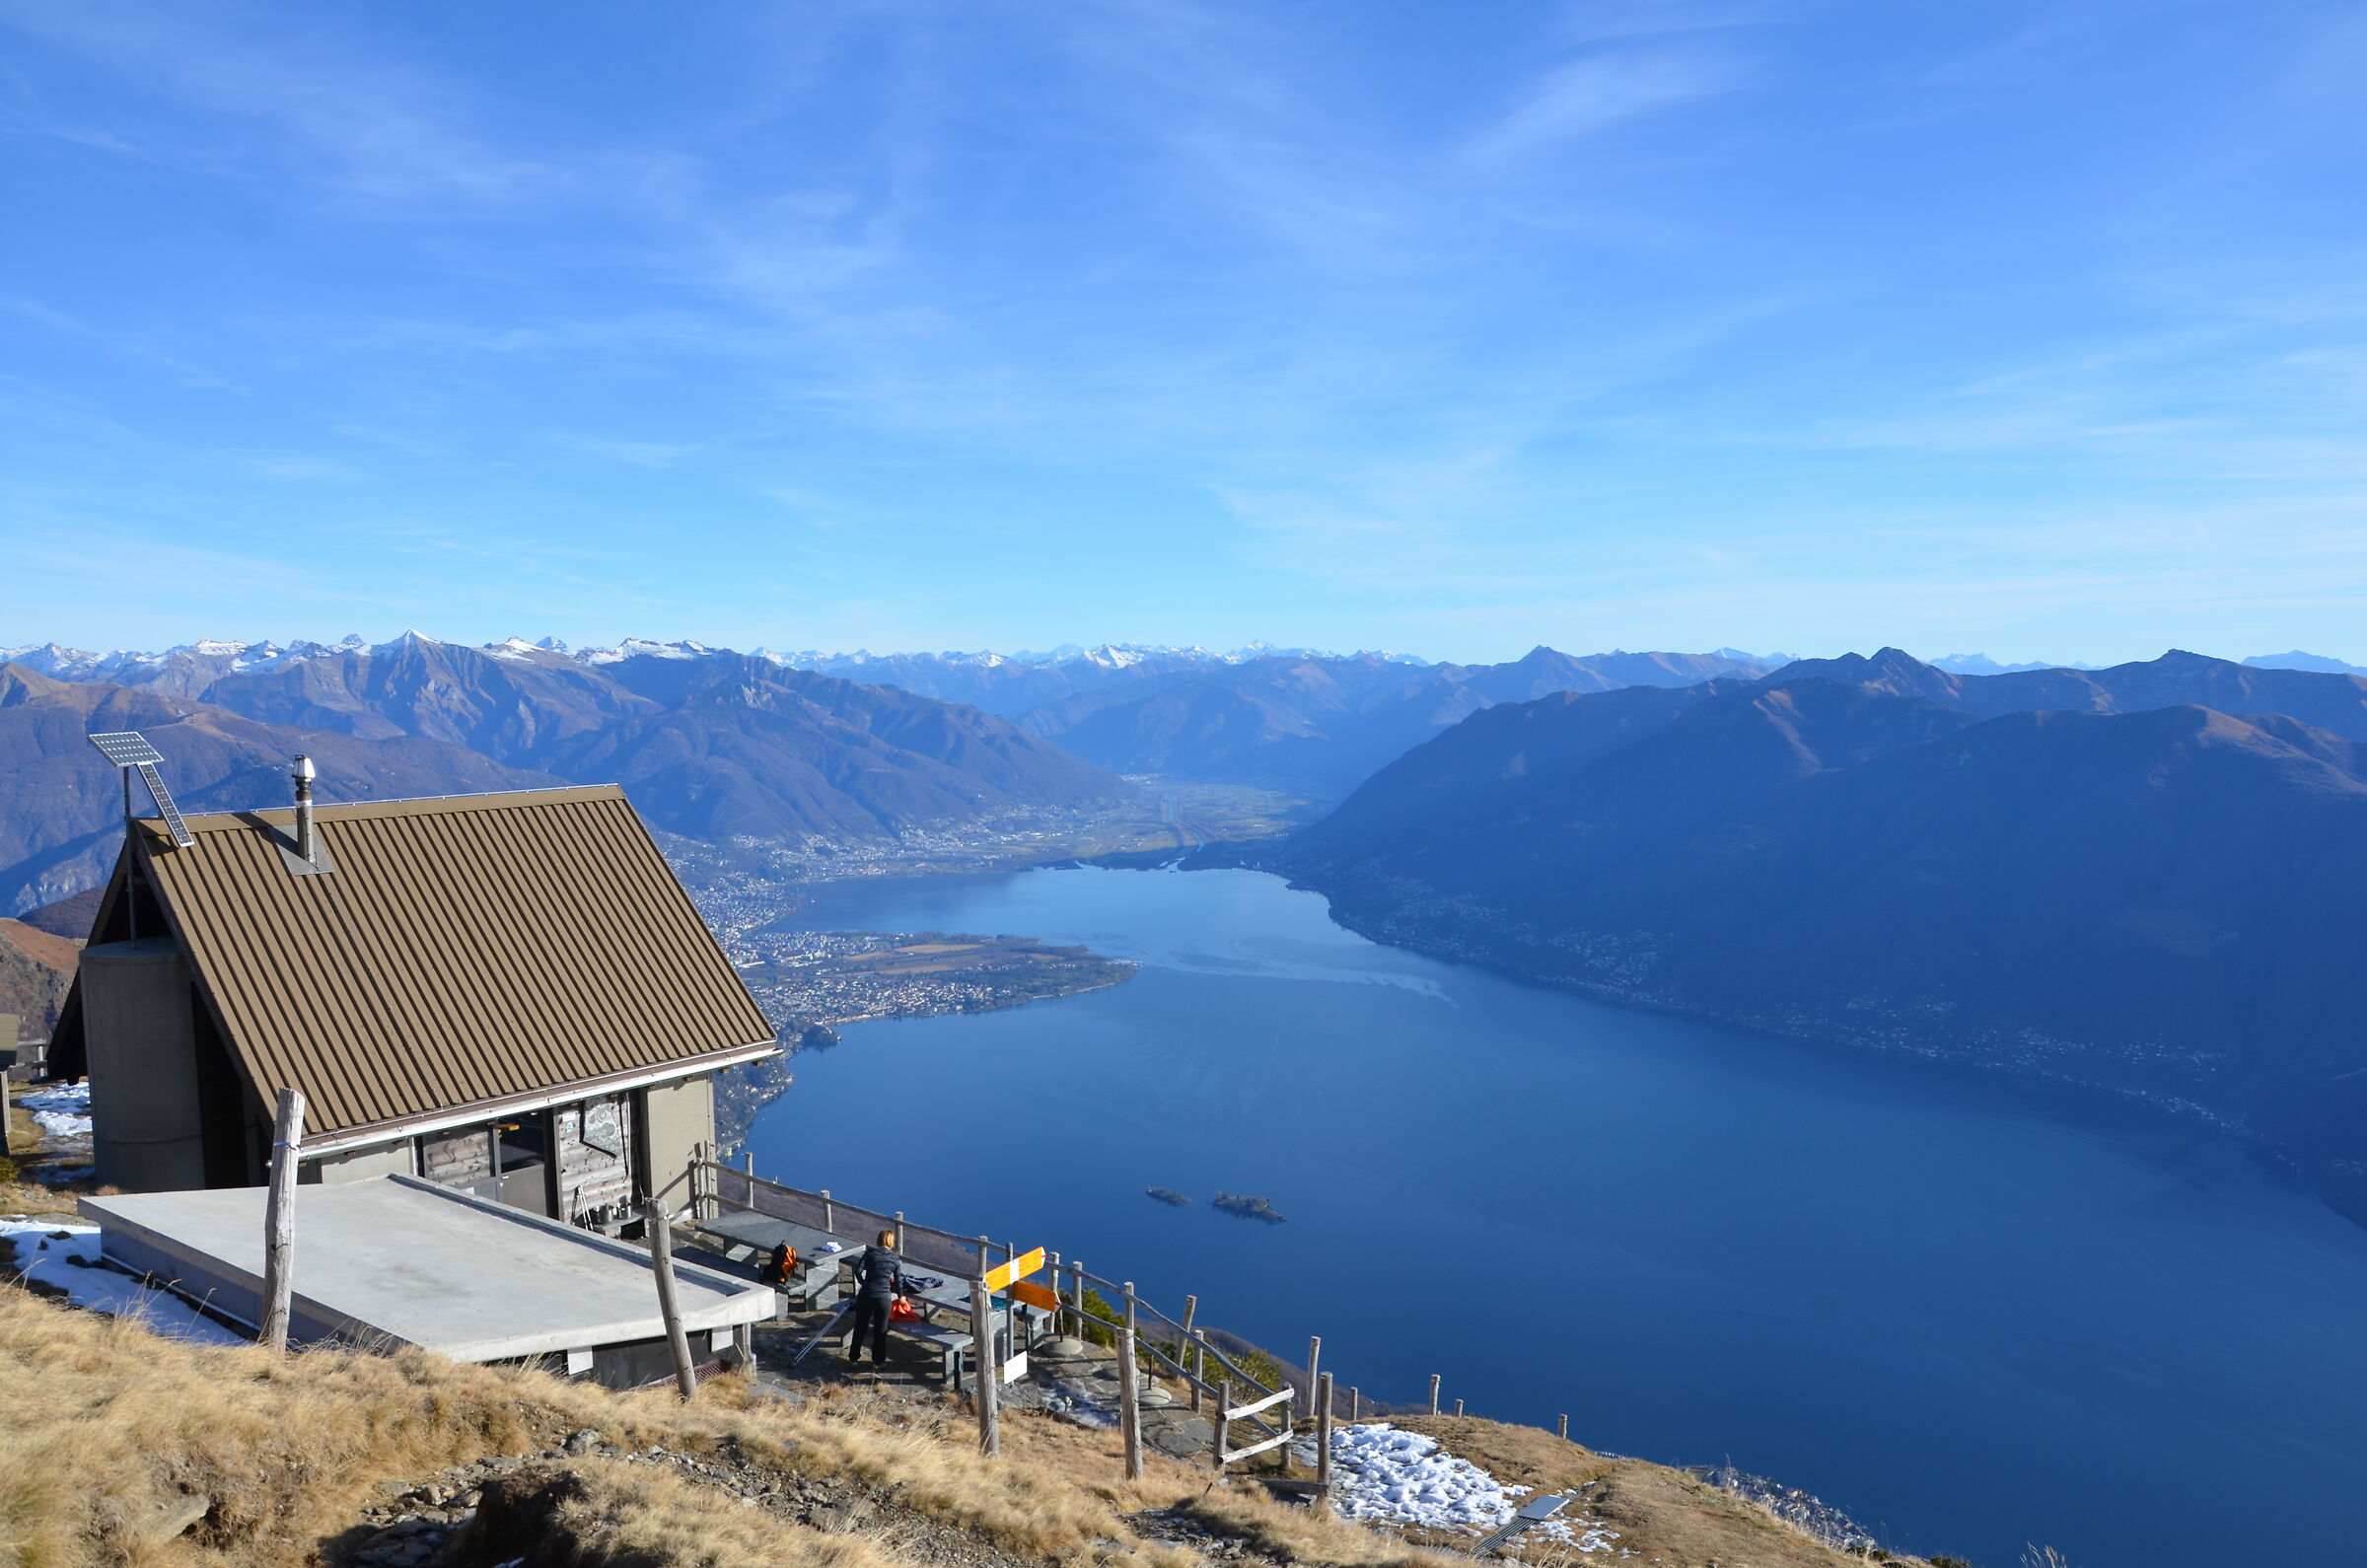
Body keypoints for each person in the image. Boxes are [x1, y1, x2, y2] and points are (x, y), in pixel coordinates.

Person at [849, 1228, 899, 1366]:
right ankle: (877, 1362)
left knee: (860, 1327)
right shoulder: (894, 1259)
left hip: (866, 1294)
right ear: (891, 1243)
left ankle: (853, 1358)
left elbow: (858, 1271)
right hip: (883, 1297)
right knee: (880, 1330)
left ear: (879, 1240)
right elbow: (898, 1280)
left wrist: (863, 1283)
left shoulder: (869, 1254)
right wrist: (900, 1296)